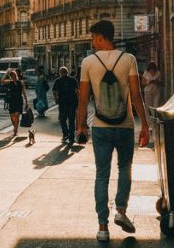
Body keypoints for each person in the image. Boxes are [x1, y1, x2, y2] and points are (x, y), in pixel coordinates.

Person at [76, 20, 149, 242]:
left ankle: (102, 226)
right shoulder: (128, 60)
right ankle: (121, 211)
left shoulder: (89, 62)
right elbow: (136, 96)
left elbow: (83, 99)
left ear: (100, 37)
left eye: (93, 38)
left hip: (100, 127)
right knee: (125, 168)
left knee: (102, 175)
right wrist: (145, 125)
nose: (92, 42)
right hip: (125, 125)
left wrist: (81, 125)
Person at [52, 66, 79, 144]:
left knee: (62, 120)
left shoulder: (58, 81)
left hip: (62, 103)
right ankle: (71, 138)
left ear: (60, 73)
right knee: (71, 121)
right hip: (72, 103)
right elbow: (77, 91)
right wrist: (78, 101)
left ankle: (65, 134)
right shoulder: (73, 80)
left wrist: (56, 99)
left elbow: (54, 91)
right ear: (67, 72)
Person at [1, 68, 31, 141]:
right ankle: (15, 127)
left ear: (16, 75)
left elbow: (24, 92)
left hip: (19, 101)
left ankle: (15, 130)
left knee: (17, 115)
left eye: (14, 75)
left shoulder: (21, 82)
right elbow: (2, 81)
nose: (13, 76)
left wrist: (26, 101)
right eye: (11, 75)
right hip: (11, 101)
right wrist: (6, 72)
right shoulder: (9, 82)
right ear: (10, 76)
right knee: (12, 117)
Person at [142, 62, 163, 140]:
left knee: (155, 106)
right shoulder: (146, 73)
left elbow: (161, 82)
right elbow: (143, 83)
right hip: (148, 92)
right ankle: (149, 124)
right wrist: (149, 82)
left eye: (153, 69)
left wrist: (156, 82)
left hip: (156, 92)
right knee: (148, 108)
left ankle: (155, 123)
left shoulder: (158, 73)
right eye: (151, 69)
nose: (152, 70)